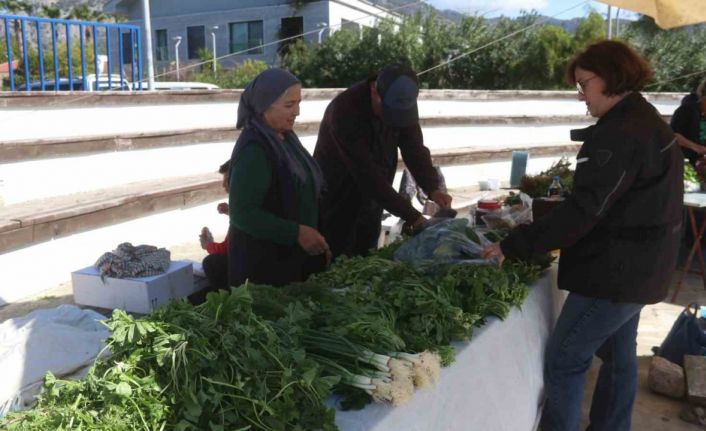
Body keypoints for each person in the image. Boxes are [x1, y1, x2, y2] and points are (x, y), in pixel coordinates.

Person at [481, 40, 683, 431]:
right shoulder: (643, 118)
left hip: (617, 272)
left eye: (583, 84)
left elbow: (583, 211)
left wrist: (514, 244)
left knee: (565, 359)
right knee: (620, 354)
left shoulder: (621, 134)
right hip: (642, 267)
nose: (580, 96)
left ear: (610, 78)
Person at [313, 63, 452, 258]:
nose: (392, 118)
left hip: (374, 197)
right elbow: (366, 174)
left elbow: (414, 148)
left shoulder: (403, 102)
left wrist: (432, 188)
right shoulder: (345, 110)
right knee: (337, 258)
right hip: (337, 196)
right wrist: (413, 217)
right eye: (388, 111)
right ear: (374, 90)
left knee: (367, 254)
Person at [228, 68, 329, 287]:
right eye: (289, 105)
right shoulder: (255, 149)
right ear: (264, 106)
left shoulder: (285, 138)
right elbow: (242, 213)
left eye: (298, 103)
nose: (297, 112)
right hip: (262, 271)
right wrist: (297, 232)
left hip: (289, 263)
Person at [198, 160, 231, 292]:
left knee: (212, 262)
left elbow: (227, 249)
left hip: (252, 268)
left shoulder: (245, 206)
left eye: (227, 179)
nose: (223, 185)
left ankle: (227, 300)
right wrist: (231, 213)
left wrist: (208, 245)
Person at [671, 77, 706, 165]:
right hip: (684, 163)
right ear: (702, 96)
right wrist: (696, 147)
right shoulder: (685, 110)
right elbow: (673, 136)